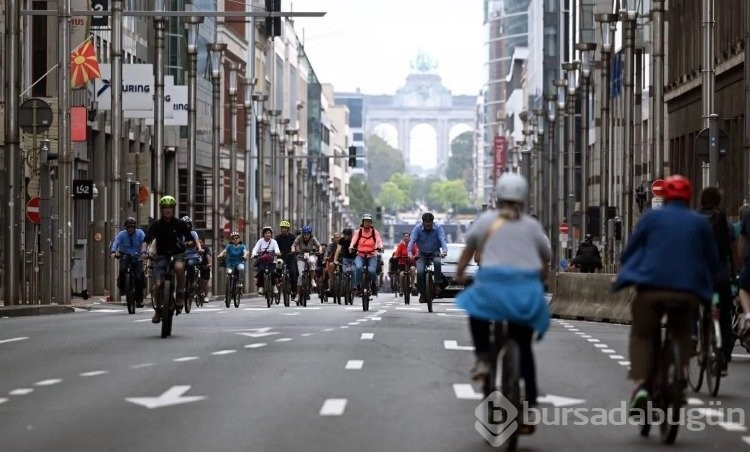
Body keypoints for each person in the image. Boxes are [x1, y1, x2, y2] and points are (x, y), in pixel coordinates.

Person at [453, 173, 551, 435]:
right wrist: (539, 279)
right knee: (524, 348)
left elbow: (467, 250)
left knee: (476, 309)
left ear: (498, 197)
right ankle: (529, 408)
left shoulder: (486, 220)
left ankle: (484, 357)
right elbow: (545, 257)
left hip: (493, 287)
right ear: (523, 199)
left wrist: (460, 272)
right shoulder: (532, 226)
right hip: (525, 291)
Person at [613, 175, 719, 415]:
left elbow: (630, 251)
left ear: (666, 196)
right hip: (687, 291)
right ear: (689, 197)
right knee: (682, 329)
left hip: (651, 289)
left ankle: (641, 384)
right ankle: (679, 371)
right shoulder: (699, 222)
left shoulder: (651, 217)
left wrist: (627, 270)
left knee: (642, 333)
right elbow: (712, 261)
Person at [698, 187, 738, 374]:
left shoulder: (695, 221)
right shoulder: (725, 222)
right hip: (721, 276)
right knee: (724, 316)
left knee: (697, 307)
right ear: (719, 201)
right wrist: (734, 274)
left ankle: (697, 337)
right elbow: (733, 252)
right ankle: (724, 356)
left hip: (701, 277)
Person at [140, 195, 195, 323]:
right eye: (165, 207)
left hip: (178, 255)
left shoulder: (180, 224)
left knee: (179, 267)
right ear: (161, 209)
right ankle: (158, 310)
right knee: (158, 284)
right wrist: (143, 251)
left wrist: (186, 244)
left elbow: (191, 240)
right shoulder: (156, 225)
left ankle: (180, 295)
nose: (167, 210)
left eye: (170, 207)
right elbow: (146, 240)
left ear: (173, 209)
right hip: (161, 256)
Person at [408, 212, 448, 303]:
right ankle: (422, 293)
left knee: (437, 262)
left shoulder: (438, 227)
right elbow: (412, 241)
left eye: (430, 222)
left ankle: (437, 284)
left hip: (435, 251)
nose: (428, 224)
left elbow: (442, 239)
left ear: (432, 222)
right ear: (423, 222)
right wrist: (410, 253)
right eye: (426, 222)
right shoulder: (417, 228)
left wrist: (444, 251)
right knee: (421, 271)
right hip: (422, 253)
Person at [110, 216, 146, 307]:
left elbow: (145, 242)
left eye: (132, 227)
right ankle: (123, 288)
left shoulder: (140, 233)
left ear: (135, 227)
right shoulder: (122, 234)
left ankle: (139, 300)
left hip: (137, 258)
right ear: (126, 228)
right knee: (122, 270)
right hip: (125, 256)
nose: (130, 229)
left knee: (138, 278)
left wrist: (145, 252)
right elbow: (116, 243)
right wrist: (113, 251)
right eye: (129, 227)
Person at [349, 214, 383, 295]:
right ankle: (357, 286)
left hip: (371, 255)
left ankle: (374, 284)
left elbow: (379, 240)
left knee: (371, 271)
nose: (367, 223)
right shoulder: (358, 232)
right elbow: (353, 240)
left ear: (371, 223)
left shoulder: (374, 232)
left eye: (369, 221)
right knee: (358, 267)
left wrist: (380, 247)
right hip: (360, 254)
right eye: (365, 221)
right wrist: (351, 246)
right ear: (363, 222)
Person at [292, 225, 323, 300]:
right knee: (300, 275)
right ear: (302, 234)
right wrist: (293, 249)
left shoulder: (313, 238)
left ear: (310, 234)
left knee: (312, 261)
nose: (306, 236)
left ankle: (312, 280)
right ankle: (298, 295)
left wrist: (320, 250)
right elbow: (294, 245)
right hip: (300, 257)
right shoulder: (299, 237)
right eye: (305, 234)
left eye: (308, 234)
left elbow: (319, 246)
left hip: (310, 255)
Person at [250, 226, 281, 296]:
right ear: (263, 234)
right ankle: (261, 287)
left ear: (271, 234)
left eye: (269, 233)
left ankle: (274, 286)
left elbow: (277, 249)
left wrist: (277, 252)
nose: (267, 234)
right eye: (266, 233)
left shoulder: (273, 242)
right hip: (262, 260)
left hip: (272, 261)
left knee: (272, 272)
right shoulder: (260, 241)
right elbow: (255, 249)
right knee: (261, 270)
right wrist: (254, 254)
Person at [276, 220, 298, 299]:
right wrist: (277, 252)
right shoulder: (277, 237)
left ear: (288, 228)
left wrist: (295, 250)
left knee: (293, 273)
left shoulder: (292, 236)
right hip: (281, 257)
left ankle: (293, 290)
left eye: (285, 228)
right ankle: (278, 283)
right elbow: (275, 246)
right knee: (277, 270)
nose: (283, 229)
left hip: (291, 257)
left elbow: (296, 245)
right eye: (282, 228)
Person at [196, 236, 212, 304]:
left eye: (200, 242)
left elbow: (208, 256)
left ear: (203, 242)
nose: (199, 244)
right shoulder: (194, 248)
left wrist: (209, 263)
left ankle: (205, 296)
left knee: (205, 282)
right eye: (198, 242)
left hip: (204, 266)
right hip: (196, 266)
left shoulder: (206, 248)